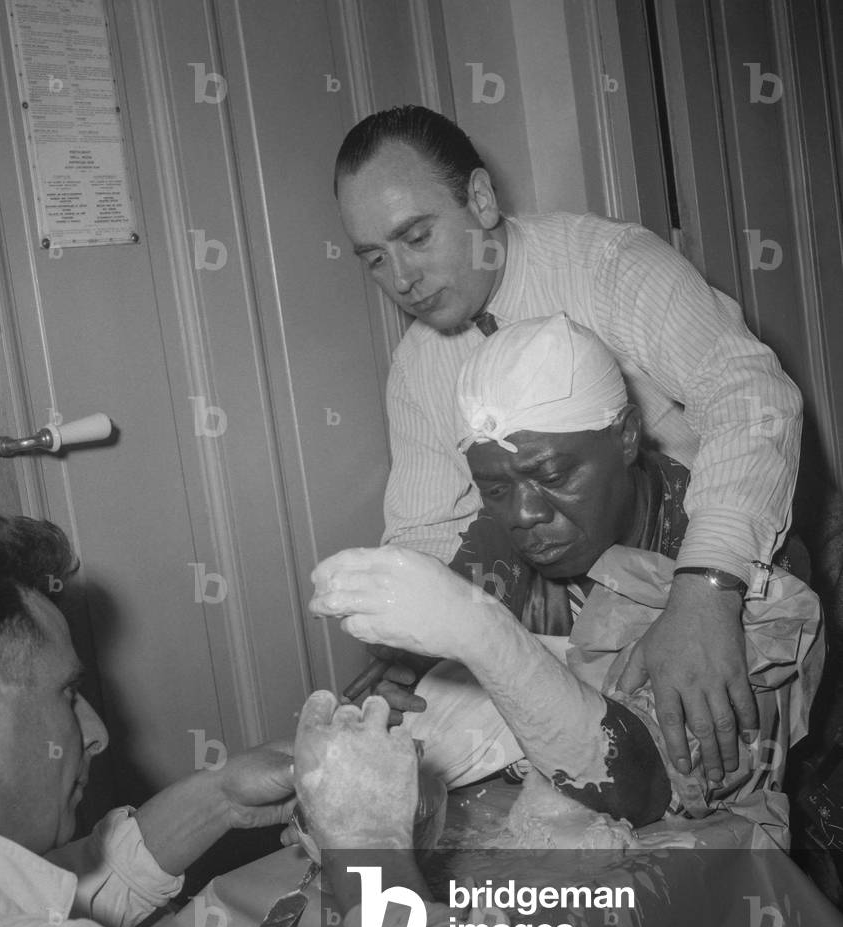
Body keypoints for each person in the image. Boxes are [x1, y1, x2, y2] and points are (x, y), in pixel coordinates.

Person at [334, 104, 804, 787]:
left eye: (416, 236)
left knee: (771, 786)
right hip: (594, 599)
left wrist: (707, 587)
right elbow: (427, 529)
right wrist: (409, 644)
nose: (401, 279)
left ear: (481, 199)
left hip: (741, 554)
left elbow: (753, 398)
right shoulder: (417, 367)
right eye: (375, 257)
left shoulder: (611, 267)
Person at [0, 512, 513, 927]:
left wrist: (223, 796)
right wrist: (375, 853)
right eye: (66, 693)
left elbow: (43, 892)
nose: (96, 733)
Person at [309, 315, 822, 843]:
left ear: (626, 436)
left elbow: (644, 790)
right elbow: (416, 719)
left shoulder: (738, 580)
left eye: (552, 476)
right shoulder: (494, 550)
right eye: (495, 489)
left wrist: (480, 633)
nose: (524, 514)